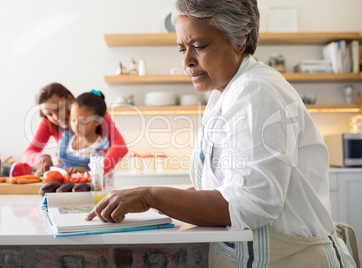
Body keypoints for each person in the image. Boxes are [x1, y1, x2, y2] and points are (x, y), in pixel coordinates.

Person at [85, 0, 357, 267]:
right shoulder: (227, 94)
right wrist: (152, 199)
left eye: (199, 46)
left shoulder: (256, 91)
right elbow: (221, 190)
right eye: (181, 49)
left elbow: (251, 204)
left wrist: (152, 195)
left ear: (240, 39)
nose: (188, 62)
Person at [23, 83, 128, 175]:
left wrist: (94, 172)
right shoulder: (49, 122)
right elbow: (28, 153)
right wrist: (41, 158)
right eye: (49, 114)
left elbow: (120, 147)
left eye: (59, 109)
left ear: (70, 99)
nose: (56, 117)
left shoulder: (93, 113)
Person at [58, 90, 110, 174]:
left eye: (83, 122)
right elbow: (57, 168)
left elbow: (105, 179)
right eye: (73, 120)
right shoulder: (65, 141)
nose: (76, 126)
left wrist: (88, 174)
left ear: (97, 121)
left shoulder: (101, 148)